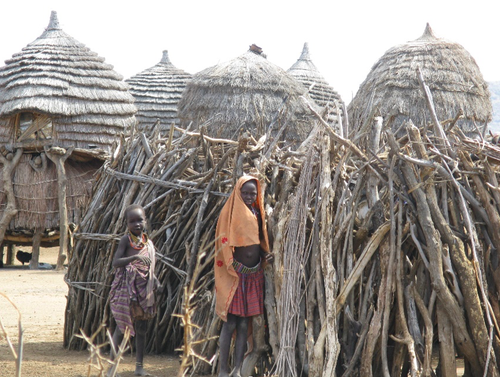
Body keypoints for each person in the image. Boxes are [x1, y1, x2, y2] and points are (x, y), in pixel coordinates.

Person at [214, 176, 273, 377]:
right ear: (238, 192)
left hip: (254, 274)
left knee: (242, 324)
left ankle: (237, 369)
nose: (248, 196)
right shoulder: (230, 212)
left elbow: (259, 240)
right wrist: (230, 265)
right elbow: (223, 239)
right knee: (230, 323)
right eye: (245, 192)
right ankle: (223, 370)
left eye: (252, 193)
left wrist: (265, 256)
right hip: (236, 274)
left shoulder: (257, 212)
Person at [108, 204, 159, 376]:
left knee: (142, 328)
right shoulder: (125, 241)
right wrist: (134, 257)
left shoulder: (148, 242)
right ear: (127, 224)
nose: (137, 224)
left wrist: (155, 280)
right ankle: (111, 368)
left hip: (144, 290)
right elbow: (116, 262)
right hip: (127, 291)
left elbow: (149, 267)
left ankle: (139, 367)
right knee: (120, 329)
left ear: (145, 221)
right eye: (132, 221)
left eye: (140, 220)